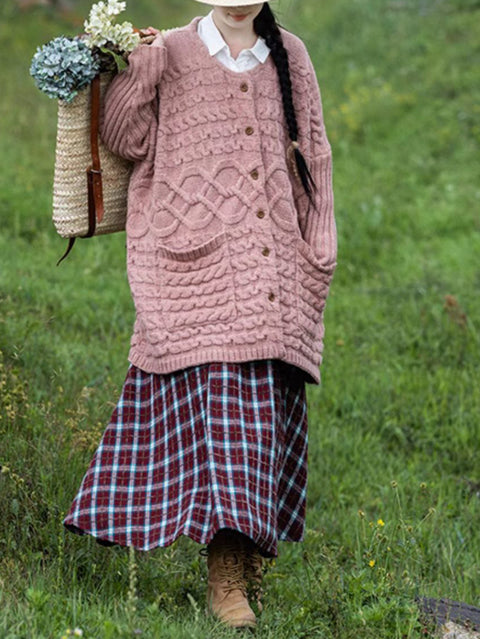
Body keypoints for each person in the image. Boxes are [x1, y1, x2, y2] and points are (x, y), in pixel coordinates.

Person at [63, 0, 336, 630]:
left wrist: (317, 252)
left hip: (275, 273)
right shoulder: (173, 51)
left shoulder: (292, 54)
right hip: (194, 267)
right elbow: (127, 140)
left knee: (260, 418)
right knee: (223, 411)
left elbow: (314, 160)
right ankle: (225, 580)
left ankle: (242, 557)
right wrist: (142, 68)